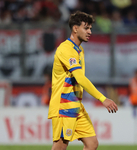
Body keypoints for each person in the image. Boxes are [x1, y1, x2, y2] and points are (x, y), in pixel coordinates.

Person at [48, 11, 118, 150]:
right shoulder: (65, 49)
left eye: (90, 28)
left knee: (92, 144)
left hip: (76, 106)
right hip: (64, 106)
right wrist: (102, 98)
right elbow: (80, 78)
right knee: (60, 147)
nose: (90, 31)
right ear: (75, 28)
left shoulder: (79, 50)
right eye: (86, 28)